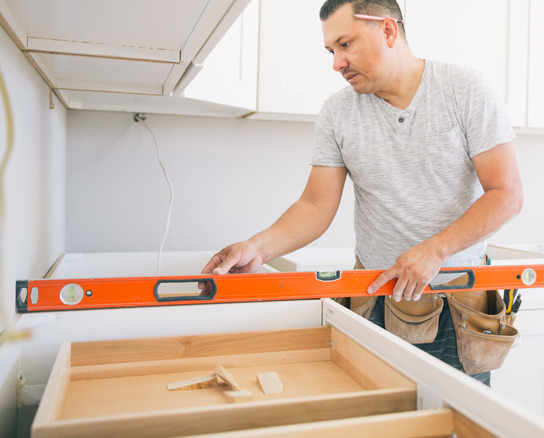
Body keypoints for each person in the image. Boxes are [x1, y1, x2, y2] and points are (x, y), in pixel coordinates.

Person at [202, 0, 523, 385]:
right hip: (371, 303)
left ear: (388, 31)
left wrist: (434, 250)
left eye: (345, 45)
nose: (337, 63)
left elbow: (506, 193)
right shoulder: (337, 112)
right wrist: (257, 248)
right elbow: (315, 205)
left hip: (459, 309)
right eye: (331, 51)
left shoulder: (465, 91)